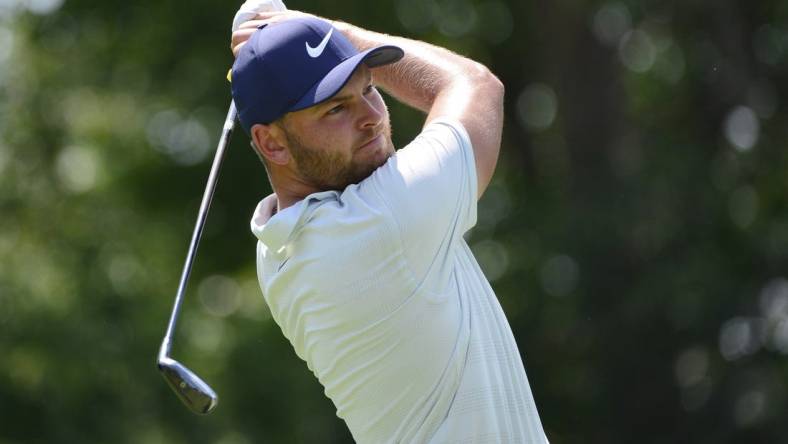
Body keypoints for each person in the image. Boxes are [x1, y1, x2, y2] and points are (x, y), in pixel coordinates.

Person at [230, 10, 548, 443]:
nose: (372, 117)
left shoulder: (276, 248)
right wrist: (344, 35)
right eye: (336, 108)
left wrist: (309, 46)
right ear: (271, 143)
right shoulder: (379, 224)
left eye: (369, 88)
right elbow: (474, 84)